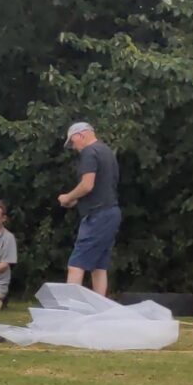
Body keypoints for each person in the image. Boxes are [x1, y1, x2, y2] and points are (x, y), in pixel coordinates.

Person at [56, 120, 119, 293]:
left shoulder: (89, 152)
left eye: (72, 142)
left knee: (76, 264)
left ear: (81, 135)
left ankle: (71, 310)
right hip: (111, 212)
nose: (74, 147)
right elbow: (100, 188)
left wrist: (67, 196)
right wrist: (75, 201)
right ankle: (100, 311)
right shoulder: (107, 152)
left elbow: (87, 185)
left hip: (97, 215)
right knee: (99, 266)